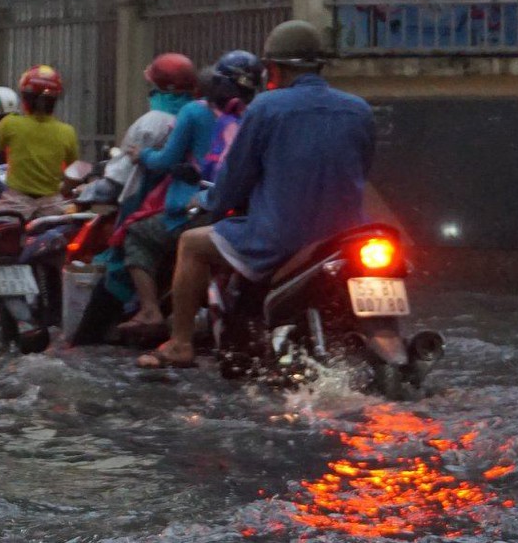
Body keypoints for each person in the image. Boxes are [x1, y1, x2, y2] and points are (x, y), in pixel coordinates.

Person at [141, 21, 374, 369]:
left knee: (191, 243)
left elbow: (234, 180)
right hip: (346, 239)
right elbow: (362, 170)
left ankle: (180, 344)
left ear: (274, 69)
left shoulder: (265, 108)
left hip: (280, 238)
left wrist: (210, 202)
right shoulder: (359, 109)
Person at [116, 52, 259, 334]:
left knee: (136, 234)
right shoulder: (254, 115)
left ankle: (149, 310)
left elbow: (165, 161)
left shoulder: (192, 112)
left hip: (195, 208)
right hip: (243, 208)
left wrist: (141, 155)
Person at [101, 52, 198, 216]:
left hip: (148, 204)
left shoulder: (152, 122)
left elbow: (121, 176)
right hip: (191, 200)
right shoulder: (199, 113)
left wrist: (91, 190)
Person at [0, 65, 78, 220]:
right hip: (53, 207)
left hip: (15, 205)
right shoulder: (67, 132)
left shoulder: (10, 124)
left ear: (25, 97)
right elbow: (74, 174)